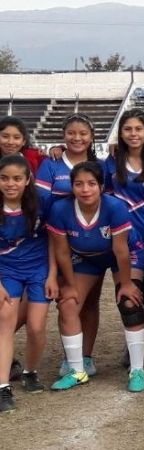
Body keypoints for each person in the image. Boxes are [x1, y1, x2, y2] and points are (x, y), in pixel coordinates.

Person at [47, 161, 144, 392]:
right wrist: (70, 286)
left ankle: (138, 370)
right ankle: (77, 370)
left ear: (101, 186)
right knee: (68, 304)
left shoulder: (115, 207)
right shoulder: (60, 209)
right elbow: (61, 251)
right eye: (79, 184)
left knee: (129, 303)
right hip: (87, 257)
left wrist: (126, 283)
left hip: (123, 254)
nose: (85, 189)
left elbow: (121, 250)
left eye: (91, 183)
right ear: (72, 187)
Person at [36, 114, 103, 378]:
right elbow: (41, 203)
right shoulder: (51, 164)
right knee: (68, 299)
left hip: (92, 242)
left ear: (91, 136)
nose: (77, 138)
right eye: (71, 133)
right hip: (58, 240)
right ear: (63, 136)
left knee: (90, 302)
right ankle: (70, 357)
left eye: (83, 133)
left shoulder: (100, 165)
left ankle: (86, 357)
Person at [103, 109, 144, 345]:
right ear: (120, 133)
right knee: (129, 300)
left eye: (139, 129)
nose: (133, 134)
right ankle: (135, 352)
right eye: (128, 129)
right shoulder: (111, 163)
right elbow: (106, 204)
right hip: (124, 241)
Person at [0, 155, 57, 413]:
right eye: (4, 178)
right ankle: (2, 388)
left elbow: (56, 240)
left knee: (35, 327)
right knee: (5, 323)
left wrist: (53, 274)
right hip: (6, 271)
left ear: (27, 180)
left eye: (16, 178)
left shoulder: (42, 202)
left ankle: (30, 371)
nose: (10, 184)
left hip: (38, 269)